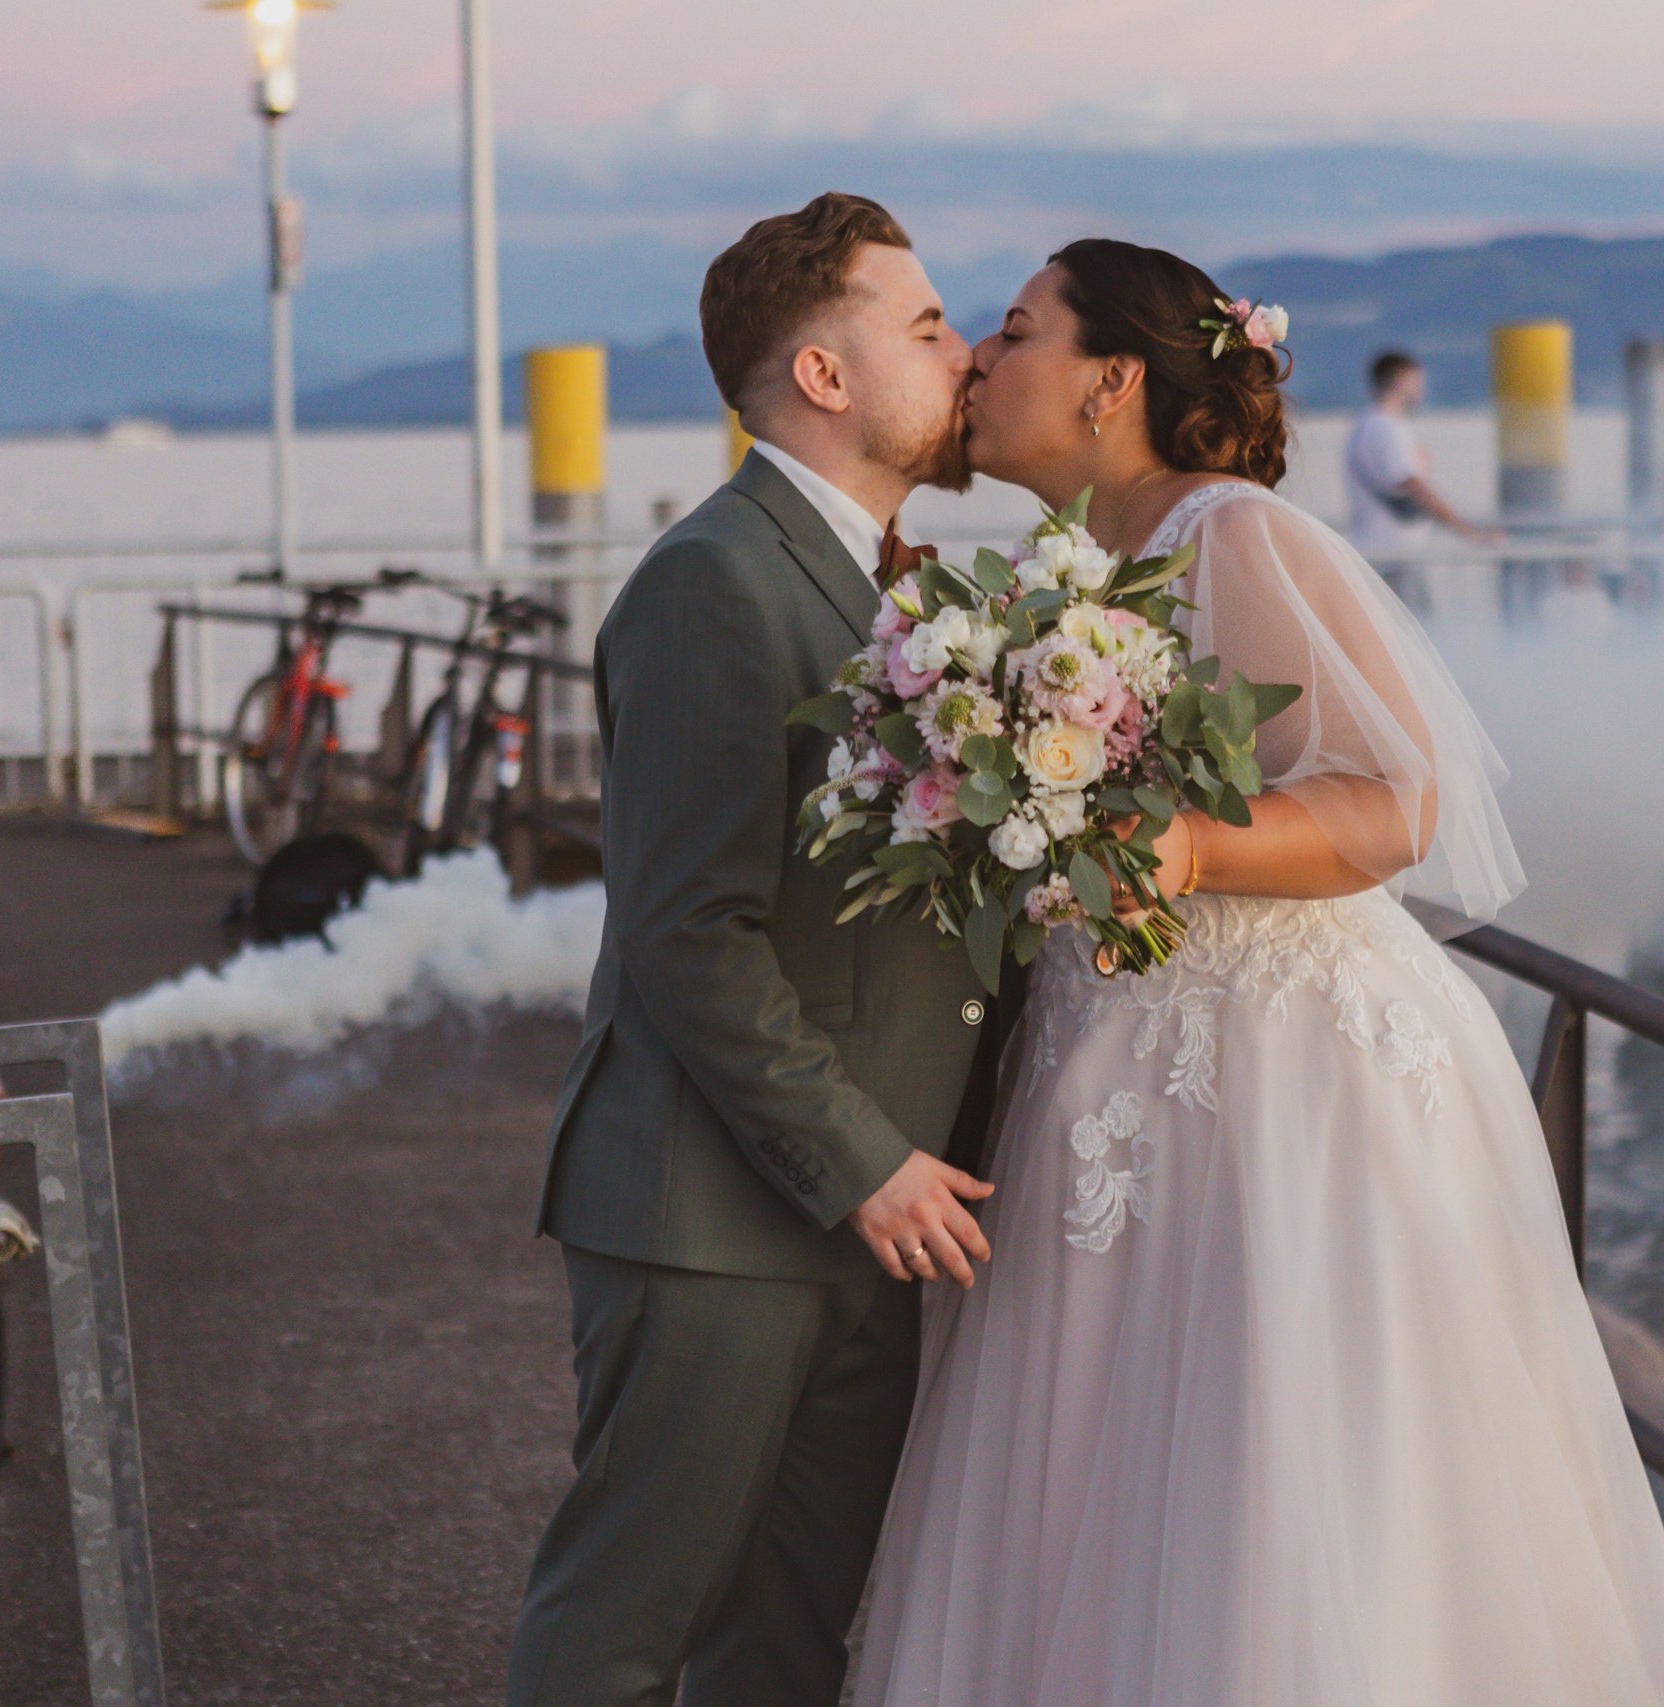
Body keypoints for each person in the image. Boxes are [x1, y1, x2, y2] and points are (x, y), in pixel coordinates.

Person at [854, 240, 1664, 1705]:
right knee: (1101, 1479)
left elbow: (1400, 796)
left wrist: (1185, 846)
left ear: (1115, 378)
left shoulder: (1231, 536)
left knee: (1287, 1482)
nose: (982, 365)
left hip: (1279, 1073)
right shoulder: (1080, 571)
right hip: (1108, 1059)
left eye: (1013, 330)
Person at [506, 192, 1021, 1707]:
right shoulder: (712, 581)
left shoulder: (890, 581)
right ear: (826, 376)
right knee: (624, 1628)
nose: (964, 353)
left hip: (866, 1211)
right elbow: (688, 932)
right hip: (717, 1210)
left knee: (787, 1643)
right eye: (927, 328)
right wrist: (866, 1159)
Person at [1344, 348, 1490, 616]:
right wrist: (1470, 533)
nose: (1421, 388)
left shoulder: (1370, 425)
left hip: (1388, 557)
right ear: (1400, 380)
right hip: (1392, 560)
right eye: (1416, 380)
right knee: (1413, 642)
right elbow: (1417, 487)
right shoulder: (1384, 428)